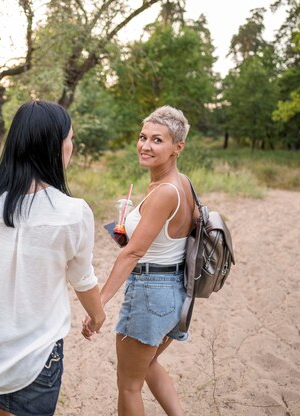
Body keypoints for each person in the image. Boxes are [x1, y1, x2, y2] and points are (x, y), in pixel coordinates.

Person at [0, 100, 106, 416]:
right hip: (38, 353)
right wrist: (98, 316)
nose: (72, 146)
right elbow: (82, 280)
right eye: (70, 139)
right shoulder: (73, 212)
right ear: (56, 147)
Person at [83, 106, 194, 416]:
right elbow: (178, 233)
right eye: (143, 137)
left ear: (177, 147)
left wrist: (99, 305)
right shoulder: (182, 184)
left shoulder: (164, 192)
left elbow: (132, 253)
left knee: (129, 385)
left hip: (150, 293)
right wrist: (133, 219)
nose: (146, 145)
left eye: (157, 140)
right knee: (149, 364)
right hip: (176, 293)